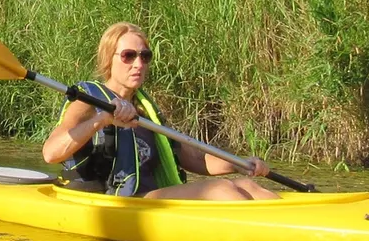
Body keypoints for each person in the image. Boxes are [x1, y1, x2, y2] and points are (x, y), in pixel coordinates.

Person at [41, 21, 277, 200]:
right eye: (128, 56)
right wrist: (103, 119)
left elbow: (193, 158)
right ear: (108, 59)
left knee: (248, 186)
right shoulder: (89, 100)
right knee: (221, 189)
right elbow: (51, 153)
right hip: (122, 203)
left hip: (153, 199)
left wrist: (238, 164)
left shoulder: (146, 109)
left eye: (145, 56)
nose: (138, 64)